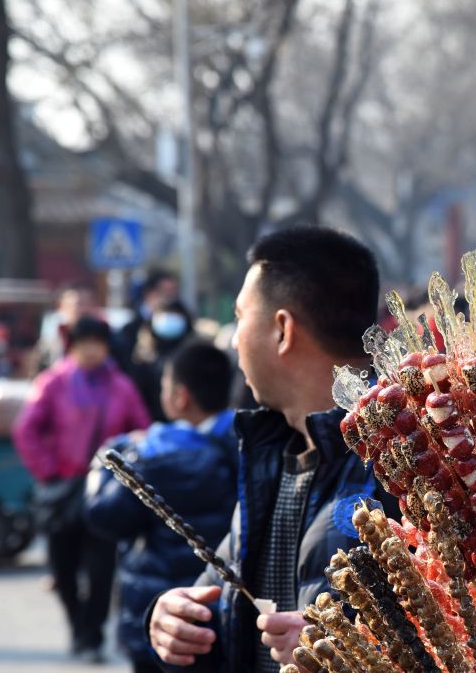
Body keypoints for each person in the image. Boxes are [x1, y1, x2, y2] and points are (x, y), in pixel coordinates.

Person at [146, 226, 396, 672]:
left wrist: (352, 649)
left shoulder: (407, 463)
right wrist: (171, 617)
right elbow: (219, 597)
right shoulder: (270, 455)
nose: (234, 337)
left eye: (240, 316)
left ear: (282, 330)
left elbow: (471, 628)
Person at [86, 341, 239, 673]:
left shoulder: (152, 454)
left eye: (164, 387)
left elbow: (103, 516)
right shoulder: (249, 443)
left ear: (180, 396)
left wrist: (105, 461)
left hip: (162, 617)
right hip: (228, 612)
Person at [13, 316, 151, 662]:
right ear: (72, 346)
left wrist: (124, 472)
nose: (90, 349)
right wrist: (48, 471)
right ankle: (77, 625)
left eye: (97, 342)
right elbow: (25, 430)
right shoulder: (52, 383)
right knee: (63, 566)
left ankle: (92, 636)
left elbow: (143, 432)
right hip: (63, 489)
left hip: (106, 492)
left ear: (106, 347)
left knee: (102, 568)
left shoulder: (121, 386)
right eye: (83, 342)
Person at [128, 299, 197, 422]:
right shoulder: (142, 358)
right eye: (164, 313)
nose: (169, 319)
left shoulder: (194, 356)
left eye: (175, 314)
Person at [34, 281, 102, 372]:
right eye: (79, 304)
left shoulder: (107, 337)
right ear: (61, 307)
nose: (84, 309)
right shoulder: (52, 340)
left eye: (88, 303)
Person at [118, 270, 180, 367]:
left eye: (173, 292)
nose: (169, 298)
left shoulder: (181, 325)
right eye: (165, 292)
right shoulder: (130, 330)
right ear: (149, 293)